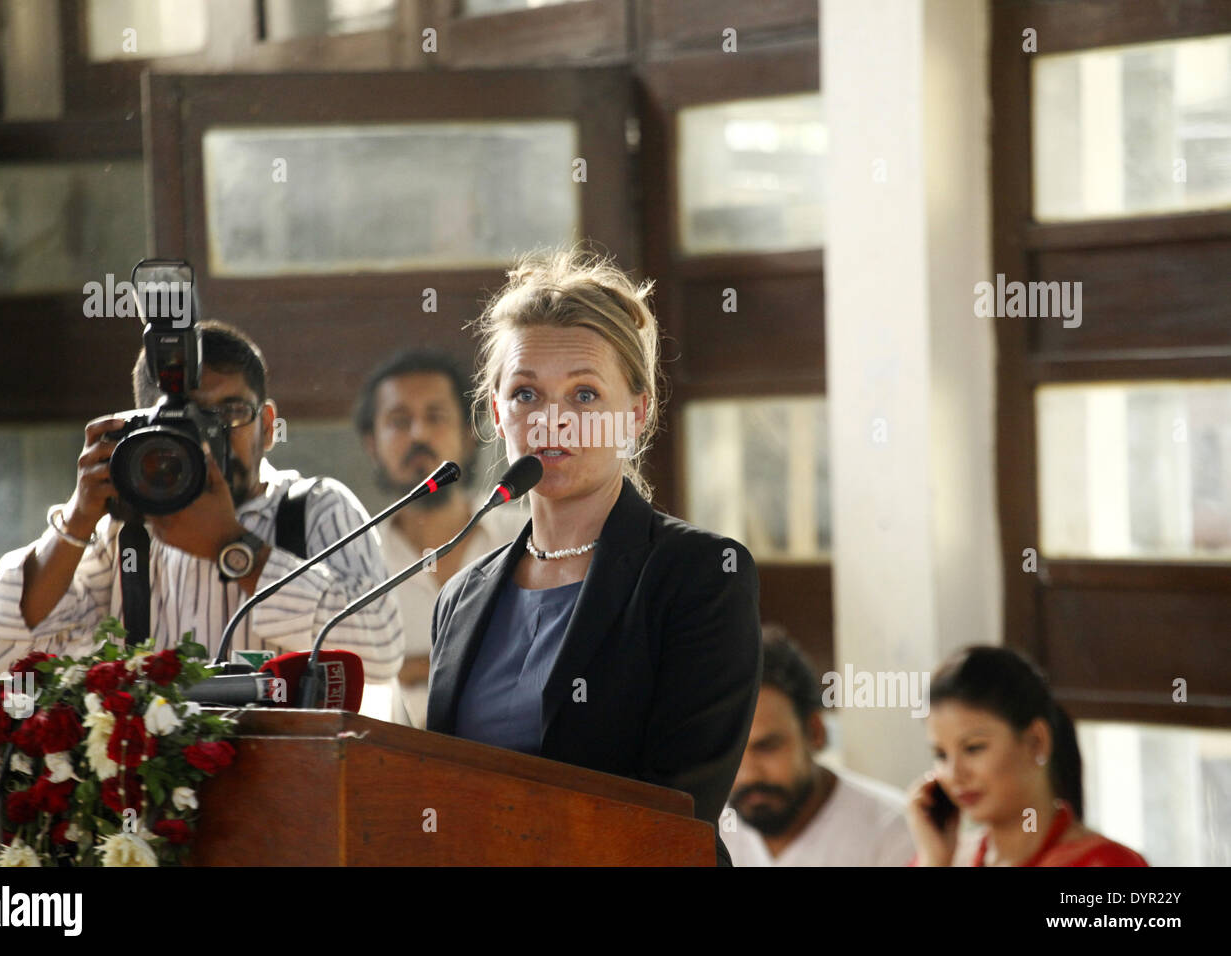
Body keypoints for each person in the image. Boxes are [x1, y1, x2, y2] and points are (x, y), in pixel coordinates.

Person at [425, 246, 763, 866]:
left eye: (584, 396)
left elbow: (673, 810)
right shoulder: (461, 597)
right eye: (526, 394)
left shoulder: (701, 575)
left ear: (635, 413)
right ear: (498, 413)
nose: (552, 420)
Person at [0, 320, 404, 683]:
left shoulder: (313, 509)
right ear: (141, 428)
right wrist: (77, 519)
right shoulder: (121, 533)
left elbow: (381, 652)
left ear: (269, 426)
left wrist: (233, 548)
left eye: (230, 413)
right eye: (186, 421)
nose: (207, 437)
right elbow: (5, 656)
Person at [354, 349, 521, 727]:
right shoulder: (351, 557)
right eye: (399, 421)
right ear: (372, 444)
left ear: (468, 435)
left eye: (436, 417)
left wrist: (413, 668)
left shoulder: (527, 537)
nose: (419, 434)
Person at [905, 645, 1148, 867]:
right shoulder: (942, 858)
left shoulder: (1107, 863)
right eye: (941, 755)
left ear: (1036, 742)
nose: (954, 774)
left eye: (973, 748)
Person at [721, 626, 915, 866]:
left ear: (814, 732)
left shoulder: (896, 831)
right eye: (731, 755)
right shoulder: (706, 829)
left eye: (768, 746)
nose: (748, 774)